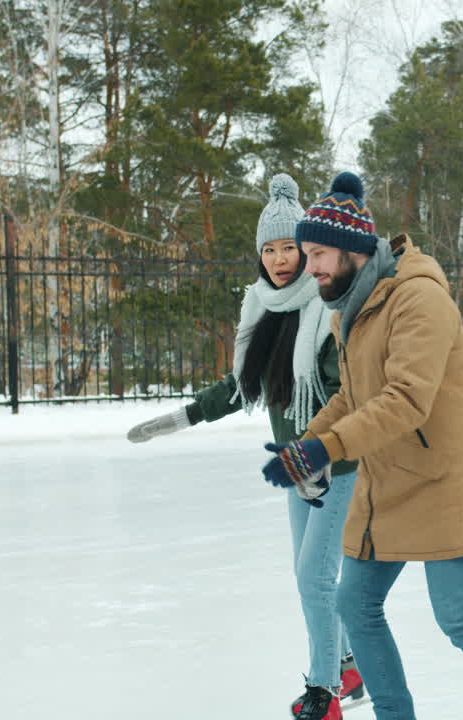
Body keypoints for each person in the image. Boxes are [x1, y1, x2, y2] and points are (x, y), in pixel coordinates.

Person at [261, 171, 463, 720]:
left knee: (458, 613)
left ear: (350, 251)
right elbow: (351, 396)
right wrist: (309, 442)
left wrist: (326, 449)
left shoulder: (419, 299)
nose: (307, 265)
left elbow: (406, 399)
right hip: (384, 480)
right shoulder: (353, 307)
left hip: (440, 479)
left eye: (317, 253)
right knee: (355, 604)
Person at [125, 173, 363, 719]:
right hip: (294, 464)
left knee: (314, 578)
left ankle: (325, 694)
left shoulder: (324, 311)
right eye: (270, 249)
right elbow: (241, 386)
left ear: (307, 251)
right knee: (311, 576)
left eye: (290, 248)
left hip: (335, 463)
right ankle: (348, 664)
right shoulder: (262, 308)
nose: (280, 259)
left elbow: (342, 393)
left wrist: (317, 450)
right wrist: (184, 415)